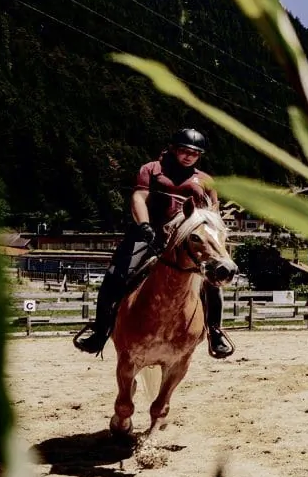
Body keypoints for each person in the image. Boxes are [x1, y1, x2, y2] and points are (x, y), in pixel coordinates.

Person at [72, 127, 234, 359]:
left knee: (213, 281)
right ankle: (101, 329)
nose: (189, 156)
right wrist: (144, 226)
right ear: (173, 149)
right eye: (184, 151)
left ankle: (215, 332)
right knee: (117, 274)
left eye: (195, 153)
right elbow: (139, 197)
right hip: (150, 233)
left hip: (188, 240)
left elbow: (212, 212)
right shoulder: (152, 170)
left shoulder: (206, 180)